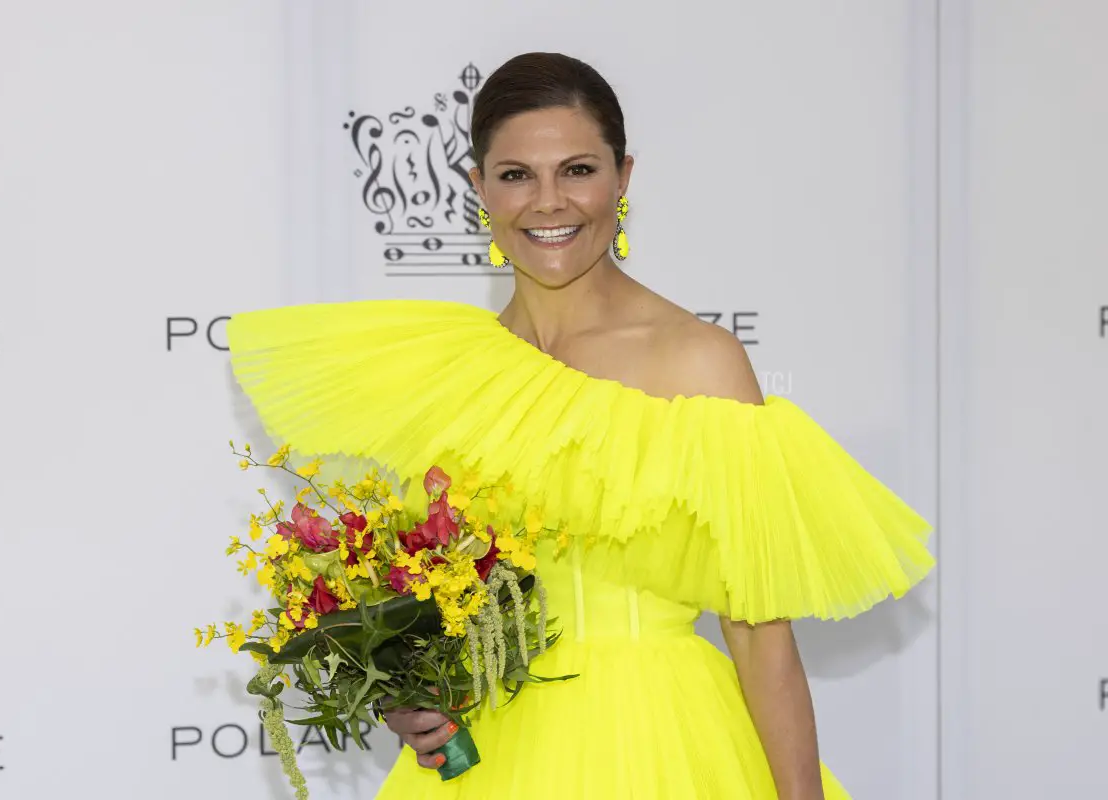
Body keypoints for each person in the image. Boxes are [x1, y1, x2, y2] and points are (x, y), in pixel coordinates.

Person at [227, 52, 934, 799]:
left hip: (657, 746)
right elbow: (436, 597)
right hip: (487, 759)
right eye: (515, 175)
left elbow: (760, 635)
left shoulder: (697, 361)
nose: (548, 202)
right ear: (479, 189)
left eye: (577, 170)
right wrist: (409, 693)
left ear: (623, 177)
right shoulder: (450, 373)